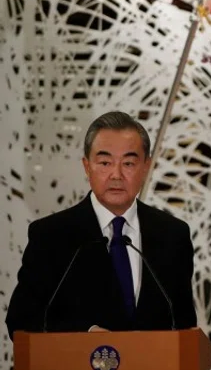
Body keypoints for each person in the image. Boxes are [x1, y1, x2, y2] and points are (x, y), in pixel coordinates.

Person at [6, 111, 197, 339]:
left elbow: (185, 327)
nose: (116, 175)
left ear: (146, 167)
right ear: (87, 166)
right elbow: (22, 319)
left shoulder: (173, 235)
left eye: (128, 163)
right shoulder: (51, 236)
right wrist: (85, 334)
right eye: (105, 162)